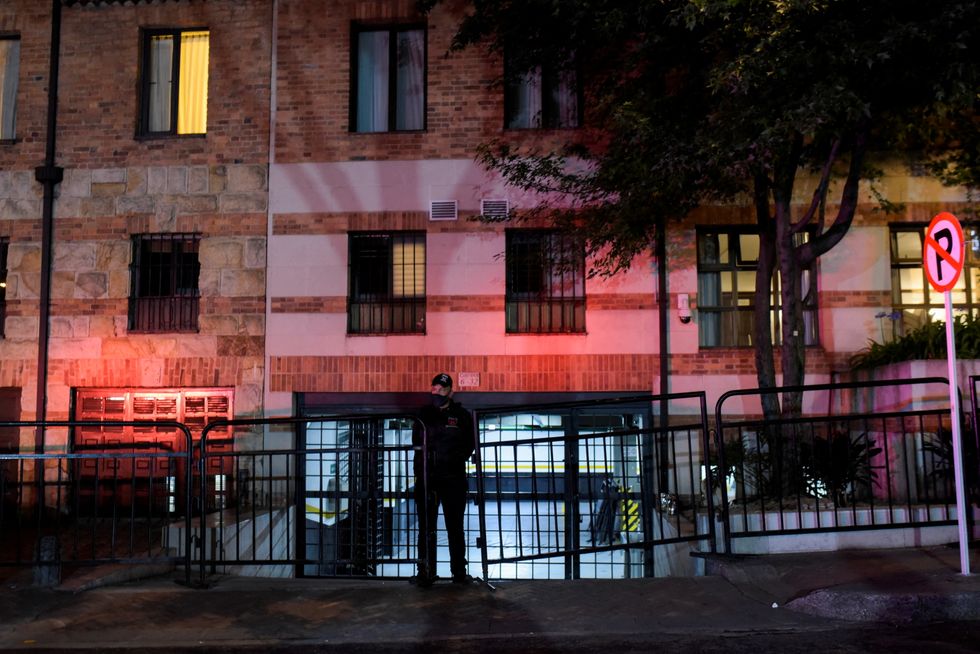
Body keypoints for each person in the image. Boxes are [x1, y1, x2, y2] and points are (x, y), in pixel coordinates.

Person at [411, 373, 475, 586]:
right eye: (435, 388)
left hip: (452, 479)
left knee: (455, 528)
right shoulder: (423, 415)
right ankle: (425, 572)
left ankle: (458, 572)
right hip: (428, 480)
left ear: (451, 391)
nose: (436, 391)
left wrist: (453, 460)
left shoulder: (462, 416)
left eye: (441, 388)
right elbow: (417, 445)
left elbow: (469, 445)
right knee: (426, 527)